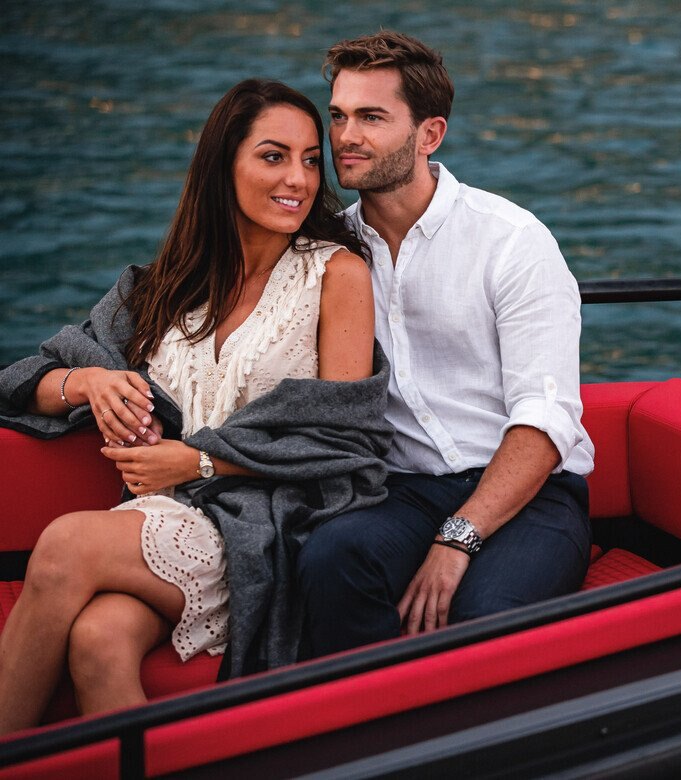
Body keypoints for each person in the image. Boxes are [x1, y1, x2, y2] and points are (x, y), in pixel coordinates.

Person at [0, 79, 395, 734]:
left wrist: (199, 462)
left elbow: (345, 438)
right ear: (223, 165)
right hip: (157, 519)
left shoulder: (335, 273)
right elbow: (24, 380)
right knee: (98, 641)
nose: (298, 179)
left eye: (309, 159)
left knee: (66, 544)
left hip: (262, 523)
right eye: (273, 157)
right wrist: (89, 383)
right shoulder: (167, 285)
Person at [297, 31, 595, 655]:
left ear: (429, 135)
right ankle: (368, 712)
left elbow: (546, 420)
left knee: (484, 616)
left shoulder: (511, 241)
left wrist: (457, 538)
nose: (345, 136)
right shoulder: (327, 252)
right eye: (338, 116)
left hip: (532, 495)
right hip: (401, 491)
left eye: (371, 117)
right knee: (330, 558)